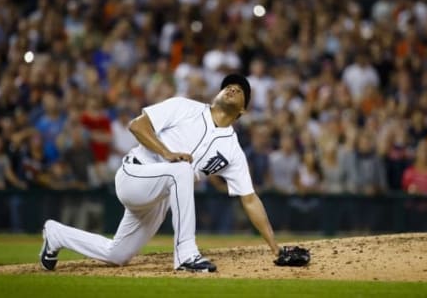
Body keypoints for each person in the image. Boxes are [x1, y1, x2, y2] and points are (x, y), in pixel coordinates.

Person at [40, 74, 281, 273]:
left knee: (118, 254)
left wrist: (275, 248)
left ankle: (56, 234)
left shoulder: (232, 150)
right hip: (135, 174)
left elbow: (249, 199)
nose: (231, 89)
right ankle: (186, 254)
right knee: (182, 168)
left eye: (239, 90)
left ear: (243, 110)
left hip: (160, 197)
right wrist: (166, 152)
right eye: (227, 86)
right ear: (216, 94)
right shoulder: (185, 107)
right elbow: (137, 125)